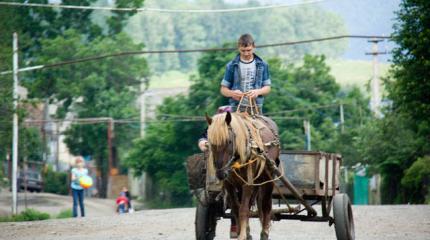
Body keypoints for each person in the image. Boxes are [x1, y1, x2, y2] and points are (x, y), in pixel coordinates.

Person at [220, 33, 271, 114]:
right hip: (236, 107)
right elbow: (223, 90)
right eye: (243, 50)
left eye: (248, 50)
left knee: (263, 126)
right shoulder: (231, 66)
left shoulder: (263, 65)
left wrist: (257, 92)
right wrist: (232, 93)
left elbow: (267, 88)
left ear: (254, 47)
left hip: (256, 106)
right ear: (238, 48)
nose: (246, 53)